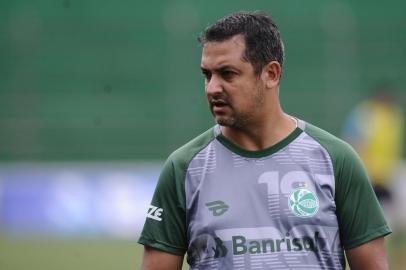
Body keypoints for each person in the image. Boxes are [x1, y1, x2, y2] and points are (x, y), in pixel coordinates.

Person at [138, 11, 391, 270]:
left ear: (271, 74)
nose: (212, 88)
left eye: (227, 74)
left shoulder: (336, 160)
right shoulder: (183, 168)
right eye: (207, 75)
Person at [342, 86, 404, 212]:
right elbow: (352, 141)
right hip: (368, 168)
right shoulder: (365, 115)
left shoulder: (394, 115)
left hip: (387, 169)